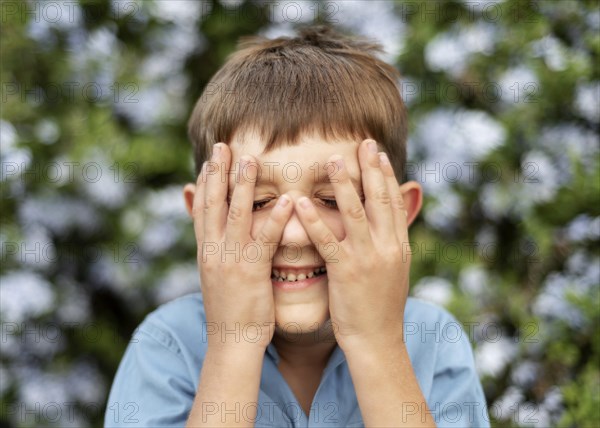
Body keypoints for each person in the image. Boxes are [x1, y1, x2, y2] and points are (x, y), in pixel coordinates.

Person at [105, 25, 489, 428]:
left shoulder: (433, 340)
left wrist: (375, 341)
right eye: (257, 202)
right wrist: (235, 342)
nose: (293, 234)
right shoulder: (167, 344)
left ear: (398, 211)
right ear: (201, 214)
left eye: (331, 199)